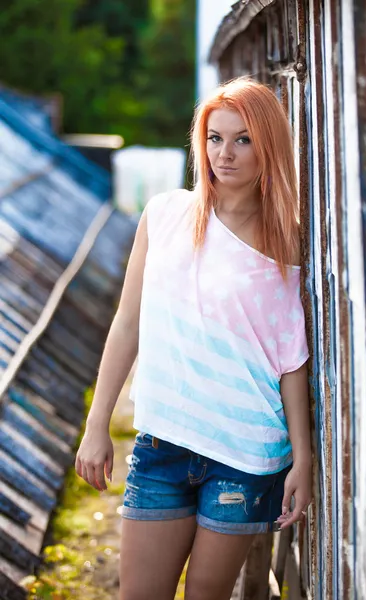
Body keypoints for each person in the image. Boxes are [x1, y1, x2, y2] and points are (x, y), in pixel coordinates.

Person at [75, 77, 312, 600]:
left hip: (244, 452)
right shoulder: (163, 215)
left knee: (206, 594)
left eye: (243, 139)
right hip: (163, 442)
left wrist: (305, 456)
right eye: (214, 137)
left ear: (267, 146)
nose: (224, 154)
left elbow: (292, 356)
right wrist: (97, 425)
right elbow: (127, 322)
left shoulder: (287, 239)